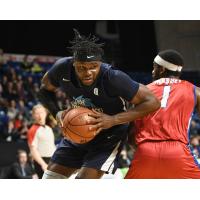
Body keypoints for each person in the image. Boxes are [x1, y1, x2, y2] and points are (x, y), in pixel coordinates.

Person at [38, 29, 160, 179]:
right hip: (78, 130)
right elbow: (43, 90)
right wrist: (57, 113)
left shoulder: (112, 77)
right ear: (74, 64)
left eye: (93, 66)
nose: (88, 72)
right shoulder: (62, 68)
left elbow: (152, 102)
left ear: (100, 63)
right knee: (50, 179)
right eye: (82, 67)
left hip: (110, 134)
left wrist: (113, 120)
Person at [125, 49, 200, 179]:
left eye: (154, 67)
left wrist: (145, 153)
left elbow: (130, 133)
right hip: (178, 151)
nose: (152, 71)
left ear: (161, 69)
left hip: (145, 151)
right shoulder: (195, 91)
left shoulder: (141, 91)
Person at [27, 104, 56, 178]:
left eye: (42, 112)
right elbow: (33, 150)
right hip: (42, 162)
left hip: (53, 160)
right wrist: (43, 164)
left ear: (46, 113)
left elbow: (52, 146)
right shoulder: (32, 130)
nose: (40, 115)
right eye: (37, 113)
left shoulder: (49, 128)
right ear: (33, 115)